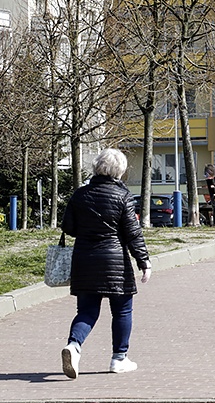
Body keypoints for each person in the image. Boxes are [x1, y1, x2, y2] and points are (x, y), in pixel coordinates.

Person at [59, 148, 151, 379]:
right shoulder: (123, 197)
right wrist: (144, 261)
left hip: (84, 260)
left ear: (97, 167)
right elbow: (133, 233)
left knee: (87, 311)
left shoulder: (80, 195)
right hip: (115, 262)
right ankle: (119, 358)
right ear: (120, 171)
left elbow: (68, 227)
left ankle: (74, 345)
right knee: (122, 311)